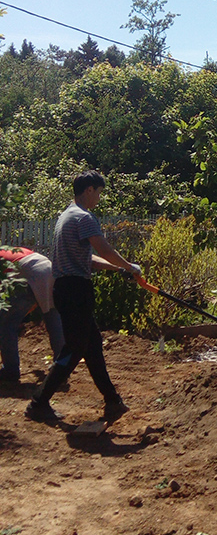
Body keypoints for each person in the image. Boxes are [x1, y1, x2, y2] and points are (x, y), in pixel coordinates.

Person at [25, 171, 142, 424]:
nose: (99, 198)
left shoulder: (66, 216)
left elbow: (89, 258)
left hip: (67, 289)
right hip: (75, 290)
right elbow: (104, 249)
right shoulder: (84, 217)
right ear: (89, 190)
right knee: (75, 347)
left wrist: (119, 269)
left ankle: (112, 400)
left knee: (92, 345)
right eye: (98, 193)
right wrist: (130, 267)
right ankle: (38, 403)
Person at [0, 247, 64, 383]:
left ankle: (10, 370)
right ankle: (61, 368)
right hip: (49, 269)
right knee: (53, 318)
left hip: (31, 274)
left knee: (6, 324)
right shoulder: (10, 251)